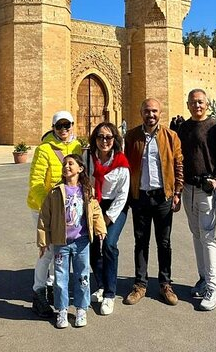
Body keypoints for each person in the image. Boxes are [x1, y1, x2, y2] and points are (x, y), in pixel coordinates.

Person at [123, 98, 184, 306]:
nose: (151, 115)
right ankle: (140, 284)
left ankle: (165, 283)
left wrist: (177, 192)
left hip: (163, 196)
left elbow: (178, 165)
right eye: (147, 111)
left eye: (155, 111)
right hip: (140, 196)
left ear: (161, 113)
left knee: (164, 243)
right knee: (141, 241)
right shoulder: (131, 136)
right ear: (141, 113)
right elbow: (124, 167)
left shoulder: (171, 136)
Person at [176, 89, 216, 311]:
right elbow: (177, 158)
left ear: (206, 104)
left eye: (200, 102)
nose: (196, 105)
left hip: (206, 189)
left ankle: (212, 287)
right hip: (188, 188)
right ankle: (202, 278)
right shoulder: (184, 128)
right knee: (196, 234)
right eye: (193, 102)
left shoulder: (215, 127)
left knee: (208, 236)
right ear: (187, 105)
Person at [37, 154, 107, 328]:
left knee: (82, 276)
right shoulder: (55, 192)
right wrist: (43, 241)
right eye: (64, 164)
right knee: (60, 278)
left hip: (81, 242)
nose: (66, 166)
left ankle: (81, 309)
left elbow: (95, 210)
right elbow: (44, 217)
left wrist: (100, 228)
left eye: (70, 163)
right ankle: (61, 310)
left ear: (80, 168)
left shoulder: (86, 190)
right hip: (61, 242)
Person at [27, 111, 82, 317]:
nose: (64, 130)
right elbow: (36, 182)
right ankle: (38, 292)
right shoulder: (44, 149)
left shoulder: (77, 147)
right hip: (44, 208)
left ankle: (53, 289)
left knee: (62, 250)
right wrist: (50, 206)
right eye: (59, 126)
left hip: (68, 208)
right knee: (47, 251)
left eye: (67, 125)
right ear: (53, 128)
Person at [83, 122, 130, 316]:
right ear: (95, 139)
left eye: (108, 137)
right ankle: (101, 285)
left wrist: (108, 218)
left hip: (115, 208)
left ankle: (110, 294)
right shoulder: (87, 157)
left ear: (115, 140)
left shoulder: (121, 162)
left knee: (109, 244)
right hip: (94, 204)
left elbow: (123, 194)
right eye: (100, 137)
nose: (104, 141)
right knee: (93, 245)